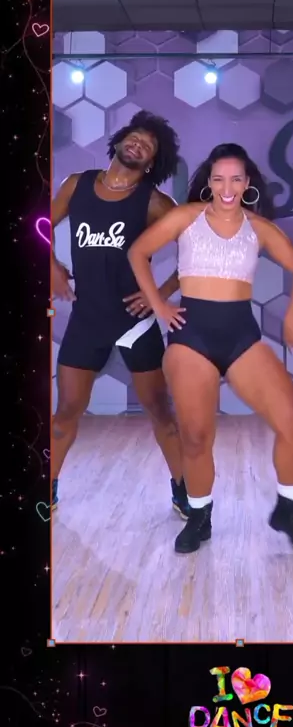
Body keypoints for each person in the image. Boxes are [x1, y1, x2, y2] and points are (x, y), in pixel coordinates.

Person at [128, 143, 293, 557]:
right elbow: (137, 252)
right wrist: (159, 305)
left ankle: (288, 509)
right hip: (191, 336)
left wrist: (291, 317)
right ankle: (200, 516)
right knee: (196, 436)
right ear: (209, 182)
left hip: (241, 336)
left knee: (292, 421)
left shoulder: (259, 227)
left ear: (247, 183)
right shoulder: (186, 217)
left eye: (235, 179)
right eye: (218, 179)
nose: (227, 188)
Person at [51, 111, 190, 519]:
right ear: (118, 141)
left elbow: (197, 249)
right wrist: (51, 264)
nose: (138, 143)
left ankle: (184, 490)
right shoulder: (76, 185)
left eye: (149, 145)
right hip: (87, 320)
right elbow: (38, 223)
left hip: (135, 323)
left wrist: (159, 295)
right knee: (65, 414)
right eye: (135, 136)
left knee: (161, 413)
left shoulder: (155, 202)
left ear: (152, 162)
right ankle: (48, 489)